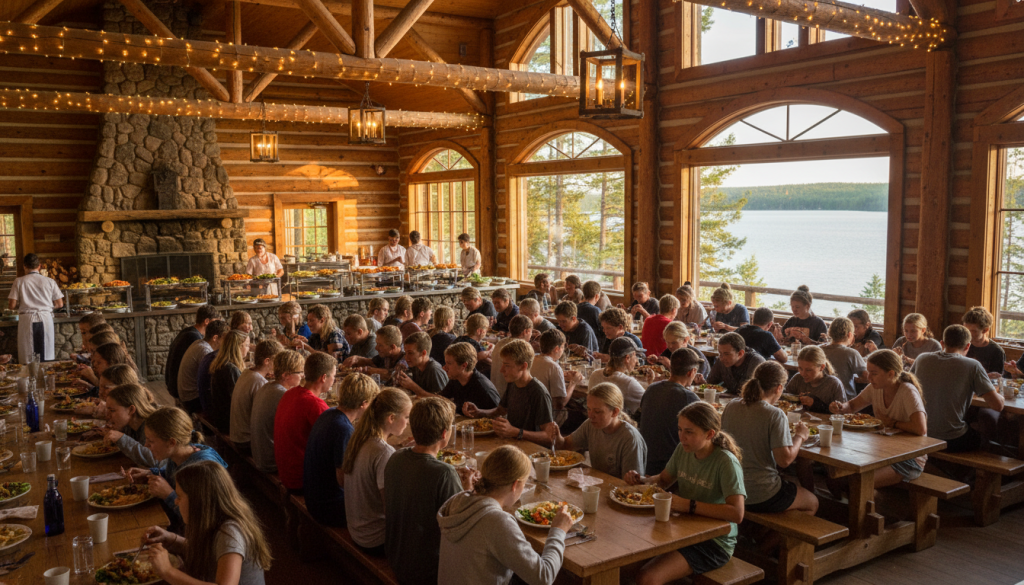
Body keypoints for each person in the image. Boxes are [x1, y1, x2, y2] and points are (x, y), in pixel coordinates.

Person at [625, 402, 746, 585]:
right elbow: (664, 480)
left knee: (647, 578)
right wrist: (641, 480)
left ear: (710, 434)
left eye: (689, 432)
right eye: (680, 430)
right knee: (625, 563)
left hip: (714, 542)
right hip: (683, 530)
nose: (682, 437)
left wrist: (689, 505)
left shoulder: (726, 462)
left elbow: (737, 514)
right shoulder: (683, 450)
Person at [438, 445, 570, 585]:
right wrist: (558, 530)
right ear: (515, 485)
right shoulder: (497, 522)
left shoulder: (457, 501)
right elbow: (544, 577)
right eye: (524, 484)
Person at [387, 398, 477, 585]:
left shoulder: (395, 457)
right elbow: (460, 525)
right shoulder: (444, 473)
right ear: (445, 434)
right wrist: (468, 489)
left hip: (396, 557)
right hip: (426, 570)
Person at [140, 461, 271, 585]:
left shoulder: (230, 533)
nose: (175, 501)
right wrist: (172, 539)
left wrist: (167, 571)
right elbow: (211, 554)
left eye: (179, 497)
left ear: (198, 502)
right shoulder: (215, 521)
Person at [722, 361, 818, 514]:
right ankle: (775, 538)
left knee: (790, 485)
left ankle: (760, 533)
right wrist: (800, 436)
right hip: (759, 492)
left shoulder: (732, 405)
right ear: (779, 388)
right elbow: (784, 460)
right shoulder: (774, 414)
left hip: (730, 486)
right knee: (812, 502)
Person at [830, 350, 929, 486]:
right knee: (835, 477)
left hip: (908, 459)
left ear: (891, 374)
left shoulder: (907, 391)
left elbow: (920, 429)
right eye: (868, 372)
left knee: (857, 483)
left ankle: (869, 504)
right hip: (881, 452)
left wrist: (892, 423)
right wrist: (840, 407)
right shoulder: (875, 388)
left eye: (874, 373)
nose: (869, 377)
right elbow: (852, 406)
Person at [127, 407, 227, 529]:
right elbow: (172, 475)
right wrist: (151, 473)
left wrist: (168, 494)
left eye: (150, 441)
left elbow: (200, 520)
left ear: (171, 442)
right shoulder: (177, 455)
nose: (146, 445)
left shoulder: (201, 468)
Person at [912, 325, 1003, 452]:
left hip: (919, 432)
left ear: (942, 343)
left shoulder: (922, 358)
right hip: (951, 439)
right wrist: (998, 391)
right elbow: (997, 405)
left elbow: (908, 386)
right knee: (987, 438)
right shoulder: (973, 365)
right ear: (967, 346)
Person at [303, 372, 378, 527]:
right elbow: (343, 481)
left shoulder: (329, 413)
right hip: (329, 507)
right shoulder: (343, 429)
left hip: (313, 497)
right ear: (364, 403)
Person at [343, 388, 412, 554]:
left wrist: (399, 451)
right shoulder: (383, 452)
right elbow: (391, 508)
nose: (408, 422)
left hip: (357, 529)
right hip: (375, 539)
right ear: (391, 418)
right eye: (407, 417)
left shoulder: (361, 437)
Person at [548, 383, 647, 479]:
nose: (590, 416)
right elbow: (566, 445)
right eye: (589, 409)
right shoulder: (590, 425)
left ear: (615, 412)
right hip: (597, 483)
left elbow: (633, 485)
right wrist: (557, 437)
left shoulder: (630, 439)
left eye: (597, 411)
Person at [464, 339, 555, 443]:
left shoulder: (538, 392)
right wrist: (479, 412)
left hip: (531, 450)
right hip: (512, 443)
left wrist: (516, 432)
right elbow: (500, 411)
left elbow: (549, 436)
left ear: (523, 366)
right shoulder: (513, 383)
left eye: (507, 365)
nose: (501, 370)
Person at [274, 353, 335, 492]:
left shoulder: (290, 393)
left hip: (286, 473)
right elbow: (335, 443)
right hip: (300, 480)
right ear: (324, 377)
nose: (334, 380)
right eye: (333, 376)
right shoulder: (315, 404)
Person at [639, 348, 702, 475]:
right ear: (692, 372)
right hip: (670, 466)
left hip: (644, 459)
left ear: (670, 368)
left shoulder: (651, 389)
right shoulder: (688, 397)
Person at [250, 351, 305, 474]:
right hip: (271, 462)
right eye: (300, 372)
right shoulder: (283, 395)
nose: (303, 376)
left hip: (260, 455)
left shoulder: (267, 386)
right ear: (286, 375)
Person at [7, 253, 63, 363]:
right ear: (39, 266)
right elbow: (60, 304)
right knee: (45, 353)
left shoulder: (19, 281)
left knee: (28, 355)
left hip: (27, 319)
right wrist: (47, 307)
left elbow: (11, 305)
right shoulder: (50, 281)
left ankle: (29, 377)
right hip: (45, 318)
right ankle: (46, 376)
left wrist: (24, 304)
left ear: (25, 266)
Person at [230, 339, 283, 454]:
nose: (279, 366)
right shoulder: (259, 382)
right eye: (278, 362)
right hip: (246, 442)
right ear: (267, 361)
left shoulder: (247, 372)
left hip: (237, 436)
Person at [166, 306, 221, 401]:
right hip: (180, 389)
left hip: (172, 383)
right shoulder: (195, 338)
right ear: (206, 321)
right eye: (215, 322)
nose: (216, 325)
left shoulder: (189, 331)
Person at [178, 320, 229, 414]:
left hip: (186, 395)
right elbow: (215, 377)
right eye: (225, 339)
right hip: (192, 399)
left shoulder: (199, 342)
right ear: (215, 338)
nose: (227, 343)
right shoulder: (205, 351)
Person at [103, 383, 159, 467]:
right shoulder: (129, 425)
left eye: (112, 410)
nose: (107, 416)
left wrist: (122, 439)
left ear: (131, 410)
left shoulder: (154, 425)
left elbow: (155, 460)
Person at [588, 337, 648, 415]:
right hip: (618, 425)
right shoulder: (627, 383)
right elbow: (650, 403)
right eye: (635, 356)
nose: (636, 361)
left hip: (595, 423)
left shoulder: (595, 374)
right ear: (627, 358)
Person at [440, 342, 500, 415]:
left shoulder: (483, 388)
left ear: (464, 365)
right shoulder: (456, 378)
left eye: (449, 363)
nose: (444, 368)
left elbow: (499, 414)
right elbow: (441, 398)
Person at [208, 330, 250, 434]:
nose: (248, 349)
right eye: (247, 345)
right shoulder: (231, 369)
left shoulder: (222, 363)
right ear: (238, 347)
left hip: (220, 417)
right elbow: (238, 402)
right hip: (228, 423)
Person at [531, 329, 578, 417]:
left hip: (530, 409)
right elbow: (559, 405)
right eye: (563, 347)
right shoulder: (553, 367)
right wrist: (573, 382)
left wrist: (560, 374)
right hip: (544, 416)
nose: (563, 350)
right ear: (557, 349)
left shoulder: (532, 359)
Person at [785, 346, 845, 414]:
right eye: (800, 368)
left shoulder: (833, 384)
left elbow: (841, 414)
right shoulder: (798, 378)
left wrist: (815, 404)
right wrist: (797, 399)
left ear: (822, 367)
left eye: (808, 370)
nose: (803, 374)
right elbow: (785, 400)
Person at [822, 317, 868, 401]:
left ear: (829, 332)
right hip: (844, 400)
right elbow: (866, 376)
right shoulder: (851, 353)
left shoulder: (818, 350)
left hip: (821, 397)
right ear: (850, 335)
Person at [395, 332, 449, 397]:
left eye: (410, 353)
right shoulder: (415, 366)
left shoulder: (434, 370)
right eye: (406, 353)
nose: (406, 357)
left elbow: (443, 401)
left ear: (423, 353)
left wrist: (413, 386)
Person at [490, 315, 533, 395]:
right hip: (508, 396)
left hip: (494, 392)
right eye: (531, 331)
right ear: (526, 331)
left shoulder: (500, 343)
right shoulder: (522, 348)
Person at [963, 306, 1006, 377]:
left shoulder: (996, 352)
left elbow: (995, 380)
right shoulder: (960, 344)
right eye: (965, 330)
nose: (968, 334)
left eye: (973, 331)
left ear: (985, 330)